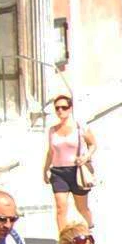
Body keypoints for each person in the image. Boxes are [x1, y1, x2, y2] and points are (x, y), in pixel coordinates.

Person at [42, 93, 96, 232]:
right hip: (58, 172)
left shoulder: (80, 127)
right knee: (61, 208)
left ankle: (90, 227)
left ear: (70, 108)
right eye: (57, 108)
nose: (60, 110)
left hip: (77, 172)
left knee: (81, 207)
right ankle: (63, 239)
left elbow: (93, 144)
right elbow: (50, 152)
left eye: (64, 107)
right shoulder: (52, 130)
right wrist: (45, 169)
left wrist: (86, 157)